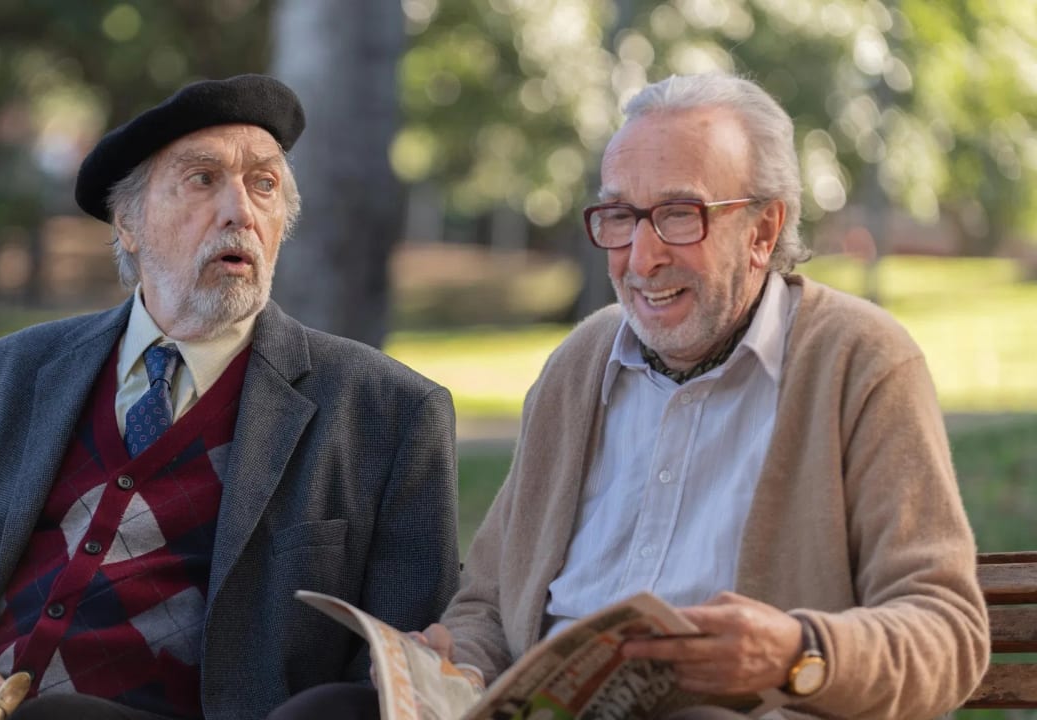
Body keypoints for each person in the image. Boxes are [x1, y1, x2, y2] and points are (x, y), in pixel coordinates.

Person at [275, 73, 989, 720]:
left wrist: (797, 655)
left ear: (763, 230)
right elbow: (489, 600)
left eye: (680, 214)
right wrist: (453, 664)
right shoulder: (581, 364)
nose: (642, 259)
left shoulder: (859, 361)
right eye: (620, 216)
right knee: (321, 714)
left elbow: (949, 633)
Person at [0, 74, 459, 720]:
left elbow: (402, 676)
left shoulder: (387, 414)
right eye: (203, 180)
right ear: (127, 224)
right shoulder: (2, 375)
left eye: (264, 185)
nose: (239, 211)